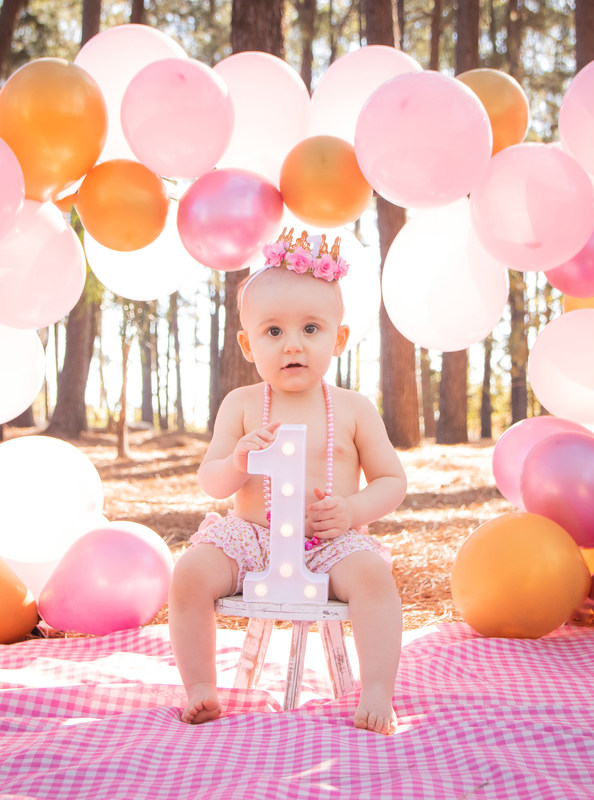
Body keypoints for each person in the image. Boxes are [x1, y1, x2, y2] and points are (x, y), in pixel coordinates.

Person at [169, 228, 407, 735]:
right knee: (189, 572)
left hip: (328, 541)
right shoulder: (242, 404)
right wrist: (237, 461)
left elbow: (391, 479)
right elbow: (211, 481)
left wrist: (354, 510)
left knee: (374, 581)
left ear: (339, 338)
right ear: (247, 344)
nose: (292, 344)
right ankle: (200, 687)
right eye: (272, 332)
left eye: (311, 329)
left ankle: (379, 691)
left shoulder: (353, 410)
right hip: (251, 539)